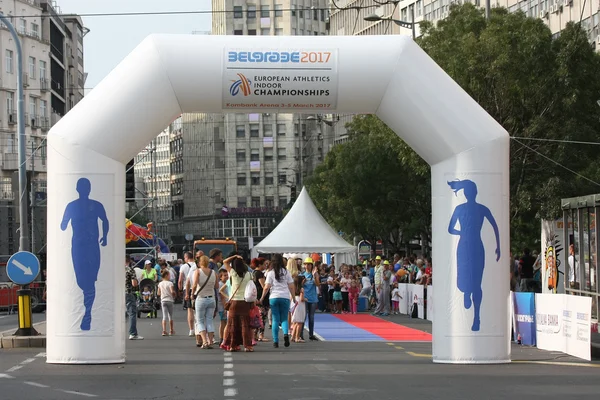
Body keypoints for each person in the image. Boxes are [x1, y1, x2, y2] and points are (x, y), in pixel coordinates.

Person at [447, 179, 500, 332]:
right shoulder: (460, 209)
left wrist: (498, 247)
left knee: (477, 282)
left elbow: (495, 225)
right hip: (466, 246)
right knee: (465, 277)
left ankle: (477, 317)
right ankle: (466, 291)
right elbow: (450, 228)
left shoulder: (481, 209)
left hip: (475, 246)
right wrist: (461, 232)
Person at [60, 177, 109, 331]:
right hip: (84, 246)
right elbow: (105, 221)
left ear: (77, 189)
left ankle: (87, 315)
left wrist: (105, 236)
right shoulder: (88, 205)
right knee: (83, 281)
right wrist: (104, 236)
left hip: (84, 246)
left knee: (88, 281)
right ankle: (86, 312)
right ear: (87, 189)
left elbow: (63, 226)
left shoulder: (75, 206)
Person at [259, 254, 296, 348]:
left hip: (274, 297)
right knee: (284, 319)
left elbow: (266, 287)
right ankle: (285, 334)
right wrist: (294, 298)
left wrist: (262, 298)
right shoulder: (286, 272)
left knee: (275, 319)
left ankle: (275, 341)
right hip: (285, 297)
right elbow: (291, 286)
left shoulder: (270, 273)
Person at [221, 255, 254, 352]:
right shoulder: (249, 274)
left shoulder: (233, 273)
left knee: (233, 325)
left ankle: (232, 345)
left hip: (234, 302)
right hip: (245, 302)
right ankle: (247, 346)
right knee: (245, 325)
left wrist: (234, 256)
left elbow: (225, 261)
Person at [192, 255, 218, 349]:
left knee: (200, 321)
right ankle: (210, 341)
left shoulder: (197, 271)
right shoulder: (213, 272)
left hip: (201, 298)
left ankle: (204, 341)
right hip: (211, 298)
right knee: (209, 321)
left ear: (200, 262)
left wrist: (192, 294)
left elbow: (194, 284)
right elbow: (216, 286)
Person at [302, 257, 320, 341]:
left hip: (313, 298)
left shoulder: (315, 274)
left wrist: (315, 276)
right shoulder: (302, 275)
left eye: (309, 264)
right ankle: (300, 334)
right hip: (305, 298)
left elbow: (317, 284)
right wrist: (302, 282)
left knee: (311, 317)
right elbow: (299, 286)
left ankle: (311, 334)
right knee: (303, 317)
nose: (308, 266)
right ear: (304, 265)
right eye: (306, 264)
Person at [125, 255, 143, 340]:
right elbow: (134, 284)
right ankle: (133, 333)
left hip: (118, 293)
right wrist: (137, 281)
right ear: (129, 261)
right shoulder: (130, 269)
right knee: (132, 312)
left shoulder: (117, 270)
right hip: (128, 292)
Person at [157, 270, 176, 336]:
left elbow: (158, 293)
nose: (170, 276)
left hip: (163, 300)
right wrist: (174, 294)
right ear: (166, 275)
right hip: (170, 300)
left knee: (164, 316)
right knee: (170, 316)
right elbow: (172, 291)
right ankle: (171, 330)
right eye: (169, 275)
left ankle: (164, 330)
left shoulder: (160, 284)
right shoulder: (170, 283)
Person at [291, 275, 306, 343]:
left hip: (294, 303)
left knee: (295, 322)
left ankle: (293, 336)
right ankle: (297, 337)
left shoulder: (293, 288)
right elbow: (302, 299)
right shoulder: (301, 289)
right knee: (299, 322)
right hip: (300, 304)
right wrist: (306, 299)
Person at [217, 268, 229, 345]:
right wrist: (225, 308)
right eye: (224, 275)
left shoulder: (227, 283)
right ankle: (222, 338)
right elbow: (222, 297)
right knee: (223, 322)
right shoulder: (220, 284)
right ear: (220, 277)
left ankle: (224, 337)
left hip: (226, 305)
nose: (226, 276)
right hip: (223, 306)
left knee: (225, 322)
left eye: (227, 275)